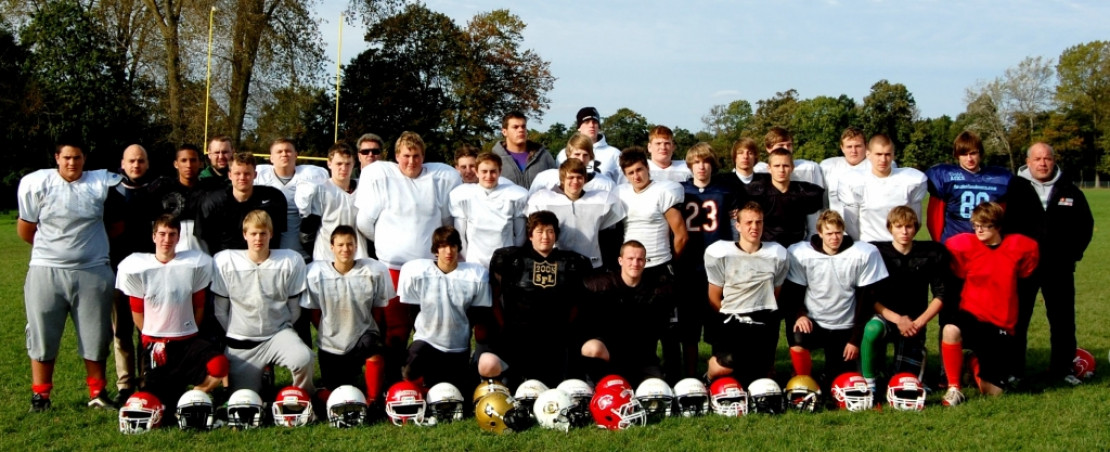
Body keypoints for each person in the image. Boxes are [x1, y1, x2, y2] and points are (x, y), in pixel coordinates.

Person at [19, 139, 125, 411]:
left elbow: (116, 225)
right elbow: (25, 229)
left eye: (77, 157)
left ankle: (98, 393)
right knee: (42, 333)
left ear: (84, 158)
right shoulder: (36, 184)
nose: (72, 163)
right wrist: (56, 252)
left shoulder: (101, 184)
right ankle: (41, 396)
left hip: (92, 270)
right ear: (56, 157)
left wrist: (85, 251)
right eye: (66, 157)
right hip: (47, 269)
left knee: (96, 333)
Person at [355, 131, 461, 381]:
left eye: (416, 156)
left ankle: (426, 379)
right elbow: (365, 223)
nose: (411, 161)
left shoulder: (438, 180)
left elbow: (445, 224)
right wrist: (387, 245)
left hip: (427, 268)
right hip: (393, 268)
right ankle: (391, 380)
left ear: (423, 156)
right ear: (396, 157)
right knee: (395, 330)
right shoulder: (383, 179)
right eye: (406, 156)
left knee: (429, 326)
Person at [116, 215, 227, 407]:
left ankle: (194, 395)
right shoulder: (137, 266)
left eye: (171, 235)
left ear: (178, 238)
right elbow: (137, 312)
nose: (166, 239)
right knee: (158, 403)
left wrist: (188, 330)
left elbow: (198, 306)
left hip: (186, 341)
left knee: (219, 365)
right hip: (155, 343)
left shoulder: (194, 264)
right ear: (153, 237)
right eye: (162, 234)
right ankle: (175, 395)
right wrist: (154, 338)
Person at [1005, 143, 1093, 386]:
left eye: (1047, 159)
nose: (1042, 163)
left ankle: (1062, 370)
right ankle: (1014, 370)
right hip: (1023, 268)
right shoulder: (1013, 190)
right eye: (1037, 158)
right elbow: (1003, 227)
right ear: (1028, 161)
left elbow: (1085, 226)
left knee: (1062, 320)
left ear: (1054, 161)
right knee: (1017, 319)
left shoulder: (1070, 191)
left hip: (1059, 267)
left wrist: (1072, 255)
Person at [940, 202, 1038, 405]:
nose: (979, 230)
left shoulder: (1018, 247)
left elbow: (1026, 271)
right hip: (972, 314)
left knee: (993, 392)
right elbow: (956, 268)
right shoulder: (966, 245)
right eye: (975, 226)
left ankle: (972, 362)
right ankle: (954, 387)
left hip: (1000, 323)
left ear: (998, 226)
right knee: (950, 329)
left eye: (985, 225)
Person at [212, 210, 314, 394]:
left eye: (263, 233)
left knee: (303, 358)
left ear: (271, 234)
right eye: (253, 233)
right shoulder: (226, 261)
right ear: (245, 235)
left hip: (277, 334)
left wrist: (284, 327)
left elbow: (294, 307)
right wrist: (236, 331)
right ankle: (261, 376)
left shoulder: (289, 260)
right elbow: (220, 310)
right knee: (245, 397)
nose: (258, 238)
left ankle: (303, 397)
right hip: (242, 341)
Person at [488, 211, 593, 387]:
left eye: (550, 231)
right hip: (519, 337)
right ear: (530, 235)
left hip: (556, 339)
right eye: (540, 231)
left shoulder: (572, 262)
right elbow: (494, 295)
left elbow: (577, 303)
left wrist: (565, 328)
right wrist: (503, 325)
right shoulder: (511, 259)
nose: (545, 236)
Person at [784, 210, 888, 382]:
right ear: (820, 233)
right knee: (796, 332)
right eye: (829, 233)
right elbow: (794, 293)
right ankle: (804, 380)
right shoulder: (802, 253)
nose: (834, 237)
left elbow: (864, 300)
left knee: (839, 379)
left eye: (838, 232)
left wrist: (855, 339)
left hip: (845, 325)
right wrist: (800, 314)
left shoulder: (861, 254)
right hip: (815, 322)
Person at [618, 147, 688, 381]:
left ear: (647, 168)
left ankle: (675, 379)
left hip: (659, 265)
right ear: (625, 175)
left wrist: (670, 262)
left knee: (669, 329)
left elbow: (680, 235)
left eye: (639, 170)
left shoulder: (662, 192)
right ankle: (640, 375)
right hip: (633, 269)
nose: (636, 176)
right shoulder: (622, 194)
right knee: (635, 327)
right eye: (630, 172)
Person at [860, 207, 948, 390]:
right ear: (890, 228)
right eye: (898, 226)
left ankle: (901, 371)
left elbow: (941, 294)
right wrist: (898, 319)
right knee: (872, 328)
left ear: (916, 228)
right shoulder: (877, 252)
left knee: (904, 384)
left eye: (909, 226)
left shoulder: (929, 253)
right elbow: (869, 296)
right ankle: (869, 382)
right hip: (886, 317)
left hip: (915, 322)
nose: (904, 231)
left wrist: (920, 322)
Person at [302, 226, 393, 403]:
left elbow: (378, 309)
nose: (345, 249)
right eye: (341, 245)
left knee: (374, 349)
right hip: (331, 342)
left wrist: (376, 333)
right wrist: (328, 329)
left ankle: (373, 399)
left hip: (362, 335)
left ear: (356, 246)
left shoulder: (371, 271)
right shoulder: (317, 273)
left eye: (350, 244)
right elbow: (314, 312)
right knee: (337, 393)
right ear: (332, 247)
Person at [399, 226, 497, 391]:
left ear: (458, 248)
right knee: (410, 369)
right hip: (427, 341)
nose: (448, 251)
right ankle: (417, 393)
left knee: (455, 392)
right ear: (435, 249)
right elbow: (413, 310)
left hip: (457, 345)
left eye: (452, 246)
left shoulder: (474, 276)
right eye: (443, 246)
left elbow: (477, 314)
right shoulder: (418, 273)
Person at [703, 202, 789, 387]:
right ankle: (708, 375)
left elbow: (774, 293)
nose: (754, 227)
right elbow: (714, 297)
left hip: (762, 320)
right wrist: (733, 316)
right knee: (726, 366)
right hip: (731, 319)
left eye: (758, 222)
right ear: (738, 225)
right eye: (749, 222)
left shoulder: (777, 254)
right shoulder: (720, 252)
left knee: (758, 376)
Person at [678, 143, 743, 377]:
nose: (701, 167)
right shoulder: (680, 191)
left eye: (705, 162)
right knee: (689, 329)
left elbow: (736, 229)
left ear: (712, 165)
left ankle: (715, 374)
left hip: (718, 268)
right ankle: (690, 376)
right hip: (689, 266)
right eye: (696, 162)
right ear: (690, 165)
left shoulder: (725, 191)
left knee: (718, 324)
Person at [578, 241, 672, 386]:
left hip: (642, 358)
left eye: (640, 259)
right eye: (630, 259)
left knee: (656, 392)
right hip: (611, 356)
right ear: (620, 260)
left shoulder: (656, 291)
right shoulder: (601, 286)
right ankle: (594, 387)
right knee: (591, 348)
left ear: (645, 262)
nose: (635, 263)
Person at [110, 144, 157, 402]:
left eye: (141, 160)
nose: (136, 165)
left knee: (148, 330)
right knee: (121, 330)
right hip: (118, 272)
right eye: (131, 161)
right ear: (123, 163)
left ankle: (147, 379)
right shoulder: (112, 192)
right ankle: (125, 385)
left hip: (150, 274)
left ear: (147, 163)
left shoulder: (156, 191)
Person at [526, 158, 625, 270]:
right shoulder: (543, 199)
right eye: (570, 177)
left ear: (585, 179)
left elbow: (608, 232)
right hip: (557, 264)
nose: (575, 181)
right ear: (562, 179)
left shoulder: (602, 199)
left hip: (591, 262)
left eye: (579, 177)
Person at [925, 131, 1013, 243]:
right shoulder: (945, 176)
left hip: (987, 245)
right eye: (964, 154)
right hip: (955, 245)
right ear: (957, 155)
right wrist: (939, 244)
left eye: (973, 153)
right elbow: (935, 216)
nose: (969, 159)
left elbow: (1004, 217)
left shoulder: (1000, 178)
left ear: (980, 153)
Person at [837, 134, 927, 242]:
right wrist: (861, 245)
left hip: (899, 247)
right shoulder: (853, 181)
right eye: (878, 154)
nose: (883, 159)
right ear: (868, 154)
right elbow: (852, 222)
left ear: (893, 155)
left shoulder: (911, 180)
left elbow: (915, 220)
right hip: (870, 244)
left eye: (887, 154)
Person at [195, 152, 287, 255]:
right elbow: (204, 238)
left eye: (247, 173)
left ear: (255, 175)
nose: (242, 177)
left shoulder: (273, 197)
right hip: (227, 260)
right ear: (230, 175)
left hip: (263, 259)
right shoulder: (213, 201)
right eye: (237, 174)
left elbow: (279, 233)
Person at [449, 152, 529, 268]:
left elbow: (520, 235)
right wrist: (469, 260)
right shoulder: (463, 195)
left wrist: (510, 256)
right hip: (475, 261)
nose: (489, 176)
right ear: (476, 172)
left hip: (506, 261)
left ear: (499, 172)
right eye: (484, 171)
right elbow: (460, 235)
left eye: (493, 171)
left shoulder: (515, 195)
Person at [255, 137, 329, 260]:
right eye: (279, 151)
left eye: (288, 151)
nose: (284, 154)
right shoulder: (260, 177)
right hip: (270, 254)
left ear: (296, 155)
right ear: (271, 158)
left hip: (303, 253)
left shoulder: (310, 177)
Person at [295, 142, 367, 262]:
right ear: (329, 163)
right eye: (339, 163)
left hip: (358, 258)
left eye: (347, 164)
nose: (343, 168)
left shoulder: (364, 188)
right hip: (327, 260)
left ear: (354, 164)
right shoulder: (321, 190)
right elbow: (307, 233)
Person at [745, 148, 824, 247]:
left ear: (792, 167)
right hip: (767, 246)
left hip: (797, 246)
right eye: (777, 166)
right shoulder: (758, 192)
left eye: (785, 166)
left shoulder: (804, 191)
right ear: (769, 168)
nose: (781, 170)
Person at [754, 127, 826, 235]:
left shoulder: (808, 168)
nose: (786, 148)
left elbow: (816, 211)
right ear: (768, 148)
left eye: (789, 145)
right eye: (781, 145)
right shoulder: (758, 170)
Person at [150, 144, 216, 253]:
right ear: (176, 164)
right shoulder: (163, 189)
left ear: (200, 163)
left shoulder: (210, 190)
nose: (189, 165)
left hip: (203, 255)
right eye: (184, 160)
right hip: (170, 256)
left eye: (193, 160)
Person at [529, 132, 616, 194]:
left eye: (585, 155)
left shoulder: (605, 184)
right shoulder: (545, 179)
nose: (581, 159)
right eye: (577, 154)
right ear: (568, 154)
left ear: (591, 157)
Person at [556, 106, 623, 183]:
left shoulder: (614, 154)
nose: (591, 125)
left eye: (595, 122)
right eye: (586, 122)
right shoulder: (563, 154)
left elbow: (622, 185)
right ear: (579, 127)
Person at [491, 111, 555, 187]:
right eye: (515, 127)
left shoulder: (543, 156)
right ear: (504, 132)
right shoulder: (493, 159)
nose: (521, 130)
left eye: (523, 126)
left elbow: (558, 183)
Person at [821, 127, 869, 217]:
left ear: (866, 146)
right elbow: (822, 200)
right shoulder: (829, 166)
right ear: (842, 148)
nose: (853, 151)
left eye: (858, 146)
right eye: (849, 147)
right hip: (837, 227)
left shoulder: (875, 166)